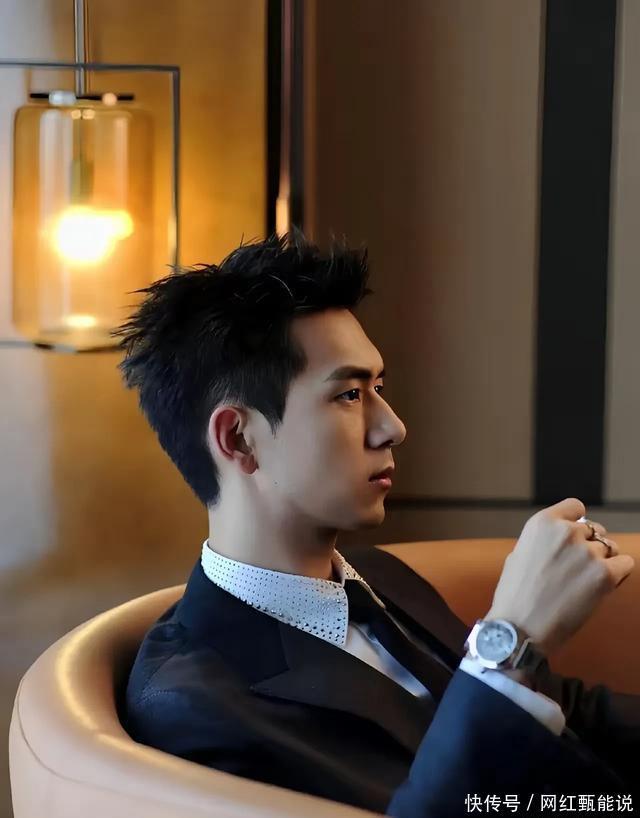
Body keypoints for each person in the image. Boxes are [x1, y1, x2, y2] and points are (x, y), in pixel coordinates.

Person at [115, 231, 638, 817]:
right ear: (238, 438)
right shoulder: (194, 708)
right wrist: (509, 640)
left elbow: (568, 712)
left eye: (378, 388)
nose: (392, 426)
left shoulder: (379, 578)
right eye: (348, 394)